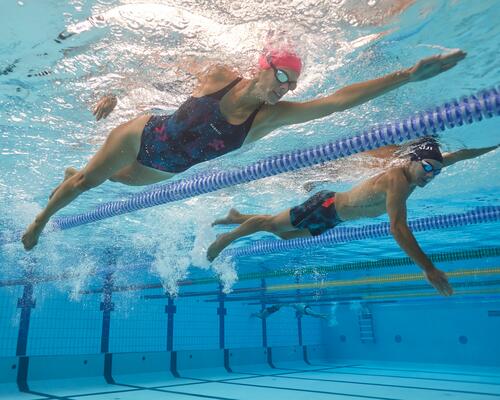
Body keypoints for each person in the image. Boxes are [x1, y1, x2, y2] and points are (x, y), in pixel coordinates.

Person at [22, 46, 466, 250]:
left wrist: (405, 76)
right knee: (86, 182)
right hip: (141, 135)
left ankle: (74, 178)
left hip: (163, 169)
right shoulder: (217, 76)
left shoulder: (270, 118)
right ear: (263, 67)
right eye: (281, 77)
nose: (286, 89)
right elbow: (156, 64)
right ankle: (43, 218)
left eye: (292, 83)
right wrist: (116, 91)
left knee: (110, 181)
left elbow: (335, 102)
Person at [208, 139, 498, 296]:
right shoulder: (397, 178)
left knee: (283, 233)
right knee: (271, 225)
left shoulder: (423, 167)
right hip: (326, 205)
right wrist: (428, 269)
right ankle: (228, 237)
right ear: (412, 161)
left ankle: (239, 216)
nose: (431, 175)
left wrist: (494, 145)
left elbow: (460, 155)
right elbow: (397, 228)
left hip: (337, 218)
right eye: (427, 168)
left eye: (436, 171)